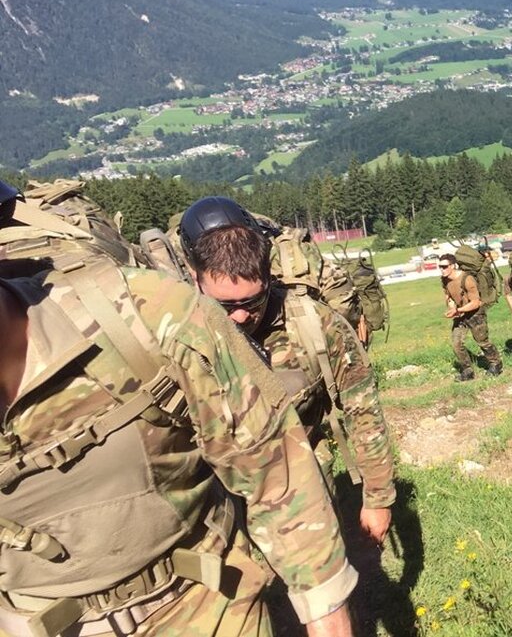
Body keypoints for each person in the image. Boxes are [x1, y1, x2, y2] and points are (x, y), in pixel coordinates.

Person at [0, 252, 356, 637]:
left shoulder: (145, 312)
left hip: (201, 604)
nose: (241, 314)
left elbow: (274, 468)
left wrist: (326, 609)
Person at [178, 198, 396, 548]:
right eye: (224, 305)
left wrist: (378, 498)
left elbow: (364, 412)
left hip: (304, 481)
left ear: (268, 274)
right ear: (195, 277)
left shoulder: (315, 324)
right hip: (219, 503)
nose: (239, 318)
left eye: (251, 303)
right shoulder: (175, 337)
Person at [440, 252, 502, 380]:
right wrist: (452, 307)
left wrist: (458, 310)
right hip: (460, 314)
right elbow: (449, 297)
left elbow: (476, 303)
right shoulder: (444, 279)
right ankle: (468, 371)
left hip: (475, 314)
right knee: (456, 344)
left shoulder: (467, 279)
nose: (441, 269)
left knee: (482, 342)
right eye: (440, 266)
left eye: (444, 266)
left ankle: (496, 363)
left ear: (453, 266)